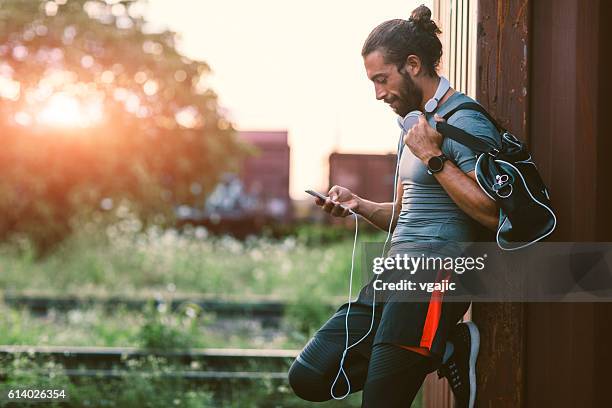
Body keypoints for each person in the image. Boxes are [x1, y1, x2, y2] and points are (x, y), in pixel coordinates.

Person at [288, 5, 500, 408]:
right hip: (394, 277)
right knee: (311, 376)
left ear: (413, 65)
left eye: (382, 79)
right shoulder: (411, 128)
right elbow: (405, 217)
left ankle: (441, 342)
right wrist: (358, 204)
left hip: (434, 279)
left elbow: (491, 212)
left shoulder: (463, 120)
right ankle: (447, 348)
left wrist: (435, 160)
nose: (378, 93)